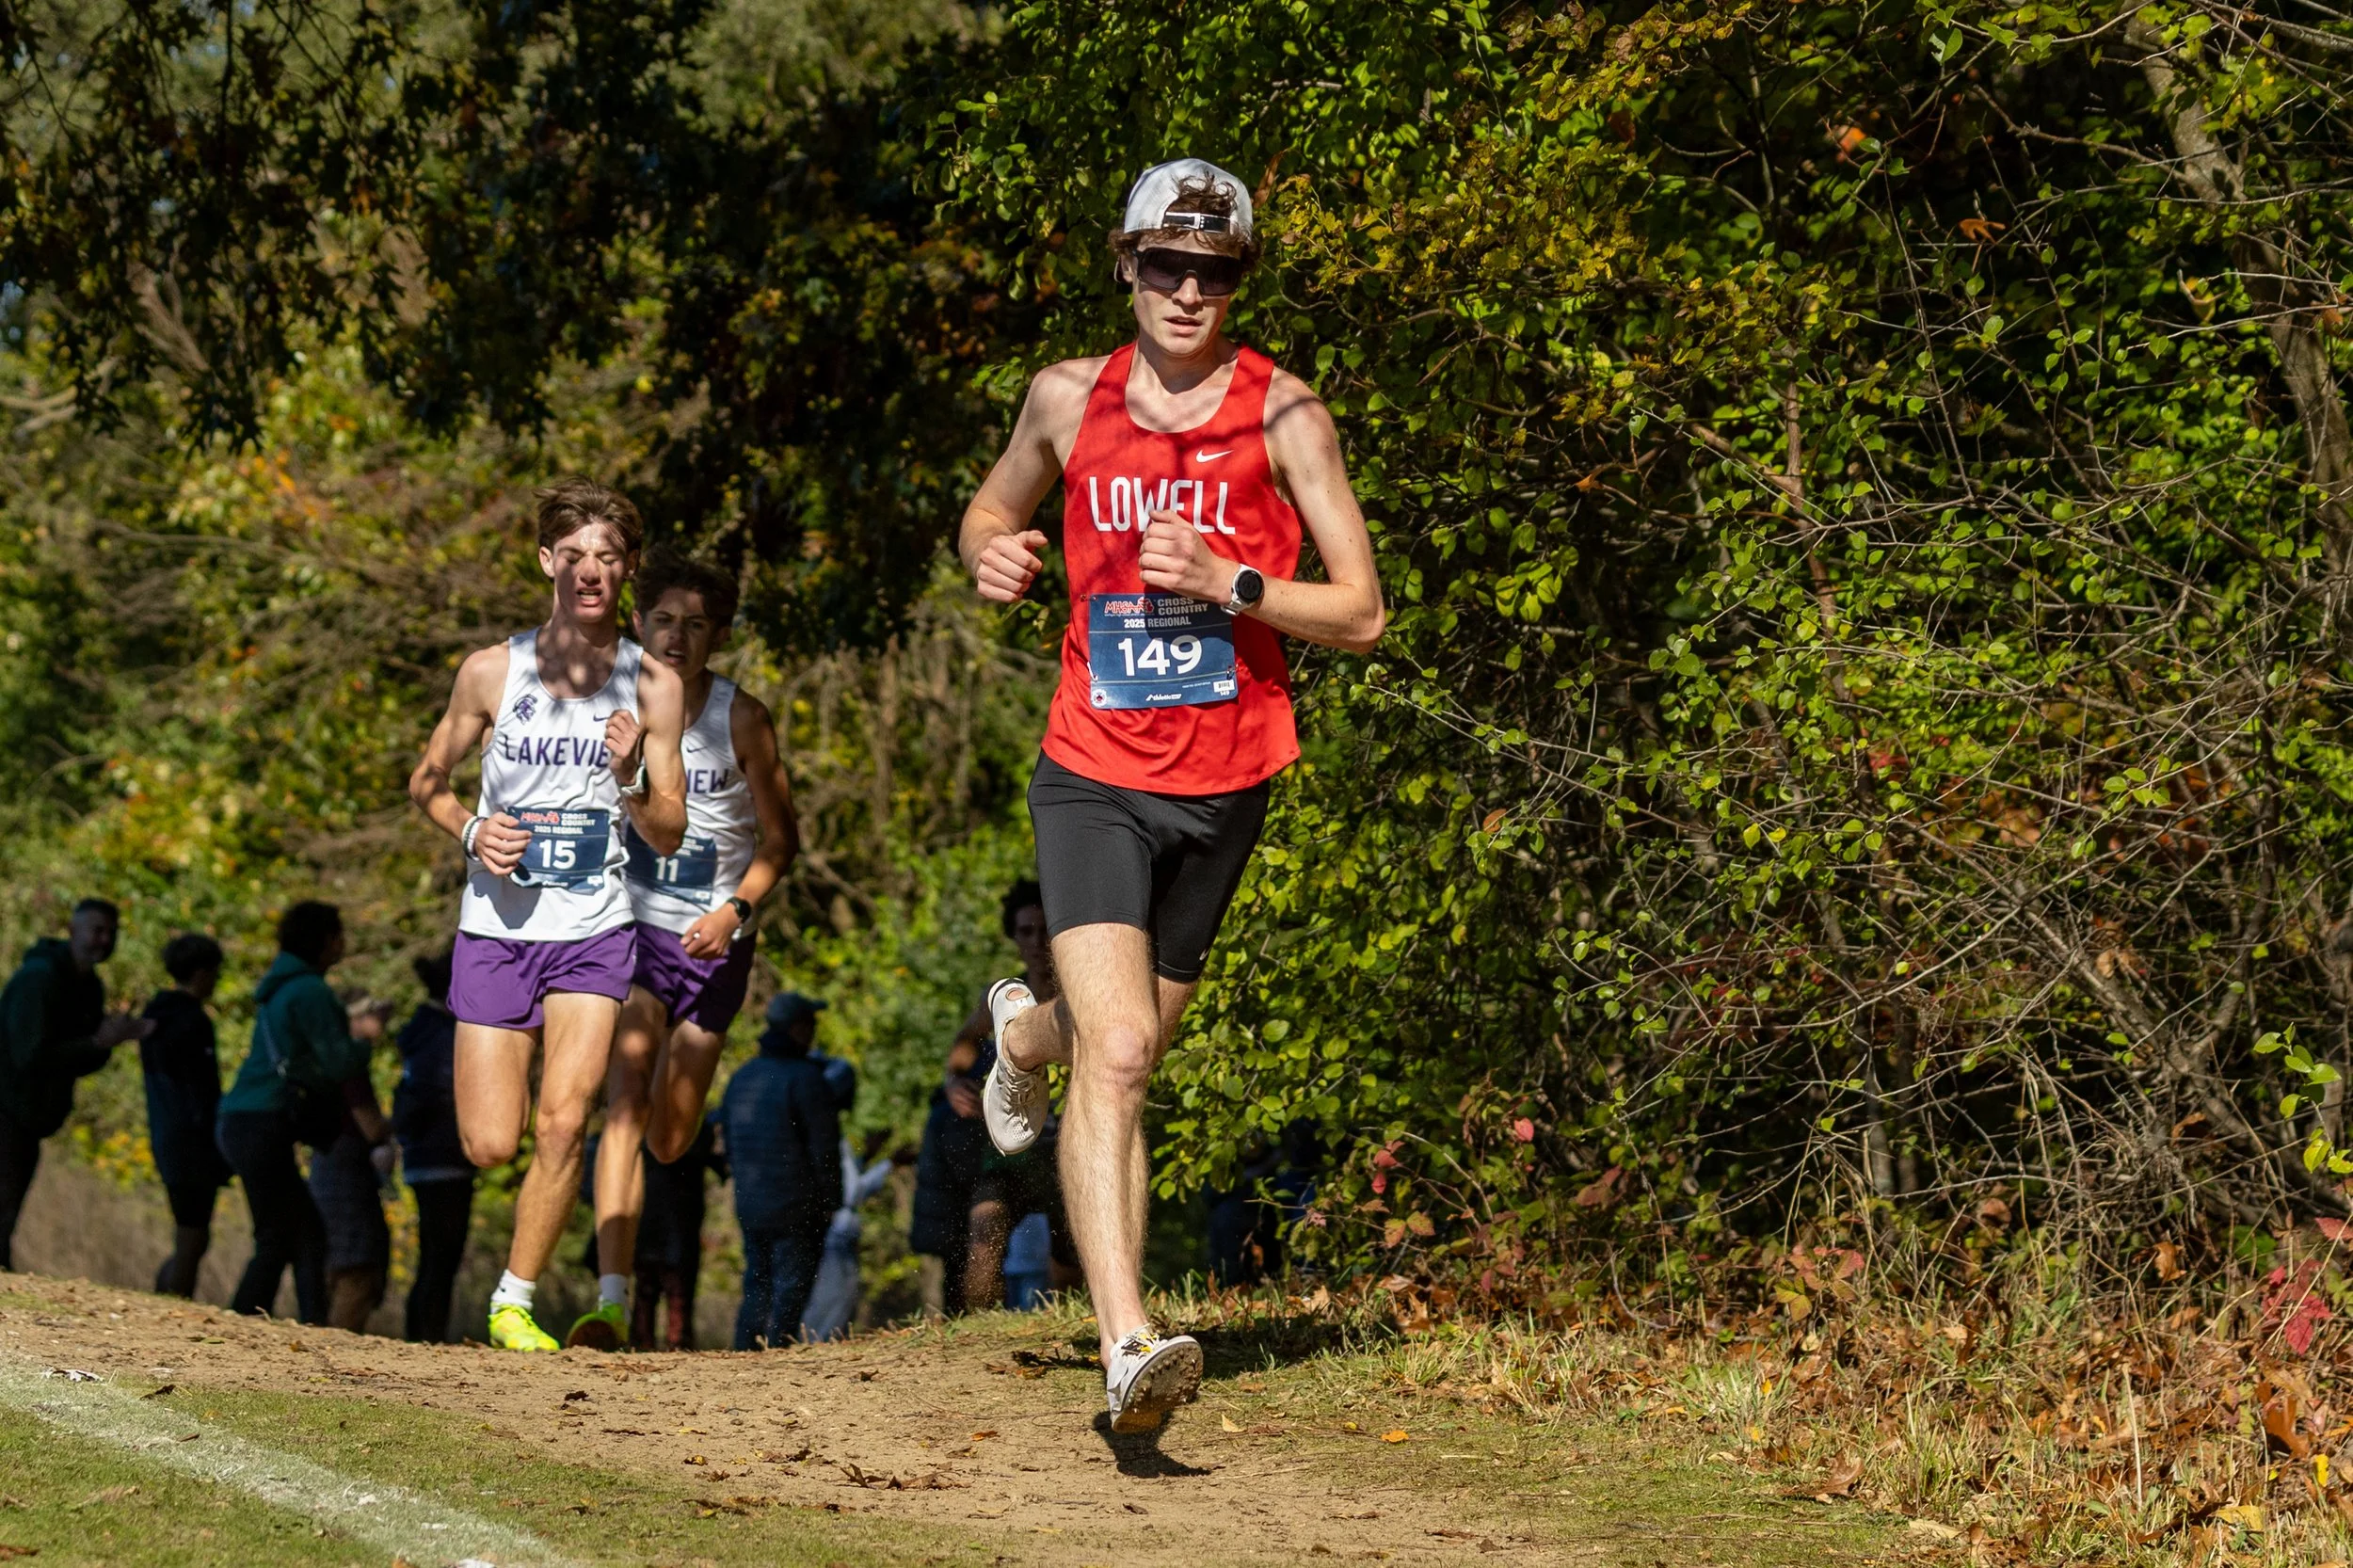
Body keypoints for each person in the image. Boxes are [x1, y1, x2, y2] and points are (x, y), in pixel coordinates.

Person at [958, 158, 1385, 1432]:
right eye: (1165, 264)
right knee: (1129, 1052)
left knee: (1107, 1042)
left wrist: (1233, 582)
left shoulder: (1285, 418)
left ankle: (1021, 1035)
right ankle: (1128, 1343)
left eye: (1214, 270)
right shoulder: (1064, 399)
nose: (1187, 289)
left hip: (1228, 777)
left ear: (1237, 279)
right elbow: (992, 503)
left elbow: (1361, 613)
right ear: (1126, 264)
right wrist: (990, 547)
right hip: (1092, 766)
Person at [407, 476, 688, 1352]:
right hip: (496, 928)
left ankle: (513, 1300)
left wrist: (633, 774)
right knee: (492, 1141)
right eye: (574, 557)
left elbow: (670, 832)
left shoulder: (655, 686)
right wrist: (470, 831)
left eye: (607, 558)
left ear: (628, 570)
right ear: (546, 563)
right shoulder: (493, 671)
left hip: (595, 928)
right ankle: (514, 1290)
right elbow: (427, 783)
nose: (590, 573)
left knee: (568, 1119)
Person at [589, 550, 797, 1350]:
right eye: (664, 620)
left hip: (713, 940)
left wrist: (736, 911)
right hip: (633, 926)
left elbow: (782, 840)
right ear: (640, 623)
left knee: (670, 1135)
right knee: (625, 1094)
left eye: (696, 624)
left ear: (719, 636)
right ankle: (610, 1299)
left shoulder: (743, 718)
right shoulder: (610, 704)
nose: (677, 636)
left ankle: (649, 1185)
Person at [216, 902, 371, 1322]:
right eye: (338, 935)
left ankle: (277, 1321)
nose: (343, 943)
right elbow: (340, 1063)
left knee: (292, 1233)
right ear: (323, 941)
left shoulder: (280, 988)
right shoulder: (310, 992)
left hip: (242, 1120)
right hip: (263, 1120)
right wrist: (366, 1038)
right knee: (288, 1235)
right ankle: (256, 1321)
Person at [0, 900, 152, 1270]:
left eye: (112, 932)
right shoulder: (38, 979)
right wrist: (97, 1043)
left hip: (29, 1118)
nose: (104, 939)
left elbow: (79, 1059)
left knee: (7, 1210)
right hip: (6, 1110)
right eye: (97, 930)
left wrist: (109, 1040)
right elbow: (29, 1057)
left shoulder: (89, 987)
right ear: (72, 930)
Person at [957, 882, 1077, 1312]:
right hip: (1012, 1152)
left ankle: (1064, 1333)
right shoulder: (1002, 997)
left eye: (1045, 928)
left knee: (1068, 1267)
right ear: (1014, 937)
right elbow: (963, 1045)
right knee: (982, 1243)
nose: (1037, 940)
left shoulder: (1079, 990)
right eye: (1025, 931)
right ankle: (975, 1340)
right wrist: (956, 1084)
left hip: (1069, 1152)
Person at [718, 993, 840, 1350]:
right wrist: (832, 1200)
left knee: (757, 1283)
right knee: (791, 1287)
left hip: (751, 1203)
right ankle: (778, 1354)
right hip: (798, 1206)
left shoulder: (742, 1077)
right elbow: (824, 1149)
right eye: (812, 1025)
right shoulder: (807, 1079)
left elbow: (726, 1141)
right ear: (799, 1029)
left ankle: (746, 1354)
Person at [141, 933, 230, 1297]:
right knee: (192, 1236)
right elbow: (201, 1090)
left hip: (166, 1134)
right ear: (201, 972)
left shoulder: (156, 1015)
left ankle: (169, 1299)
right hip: (191, 1141)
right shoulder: (191, 1020)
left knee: (189, 1233)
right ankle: (176, 1305)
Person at [392, 950, 472, 1343]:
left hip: (425, 1155)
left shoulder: (421, 1031)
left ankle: (424, 1335)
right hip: (445, 1156)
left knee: (435, 1257)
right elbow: (440, 1091)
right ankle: (427, 1338)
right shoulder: (443, 1034)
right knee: (442, 1257)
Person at [310, 993, 394, 1332]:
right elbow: (371, 1125)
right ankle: (339, 1342)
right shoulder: (349, 1064)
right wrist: (394, 1125)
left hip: (329, 1166)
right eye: (379, 1017)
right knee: (357, 1264)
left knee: (341, 1260)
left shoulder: (330, 1060)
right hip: (346, 1172)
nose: (383, 1027)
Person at [907, 1036, 987, 1318]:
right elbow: (966, 1168)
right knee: (958, 1277)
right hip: (954, 1214)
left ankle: (957, 1321)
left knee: (953, 1276)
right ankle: (960, 1323)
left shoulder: (942, 1108)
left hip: (944, 1214)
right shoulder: (958, 1112)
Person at [632, 1112, 725, 1350]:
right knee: (673, 1289)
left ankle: (655, 1344)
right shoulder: (692, 1123)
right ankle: (673, 1343)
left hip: (656, 1217)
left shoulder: (642, 1118)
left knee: (652, 1289)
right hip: (674, 1218)